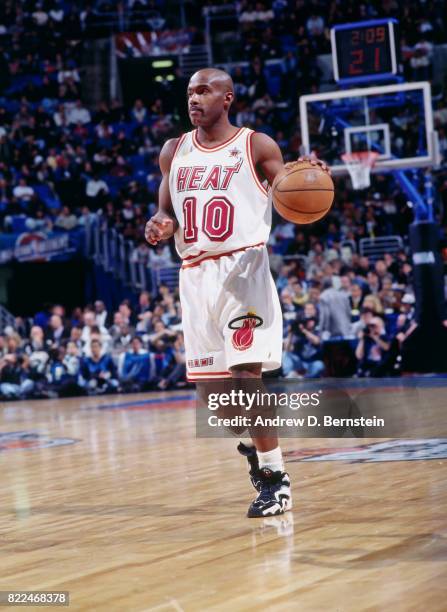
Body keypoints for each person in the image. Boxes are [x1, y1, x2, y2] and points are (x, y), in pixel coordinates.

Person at [145, 68, 329, 518]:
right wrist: (161, 223)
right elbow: (165, 208)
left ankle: (275, 479)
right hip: (193, 275)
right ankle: (253, 447)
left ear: (227, 98)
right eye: (190, 91)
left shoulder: (256, 144)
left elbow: (289, 183)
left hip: (243, 267)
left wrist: (310, 176)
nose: (194, 98)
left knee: (247, 378)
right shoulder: (174, 150)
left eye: (204, 90)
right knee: (217, 401)